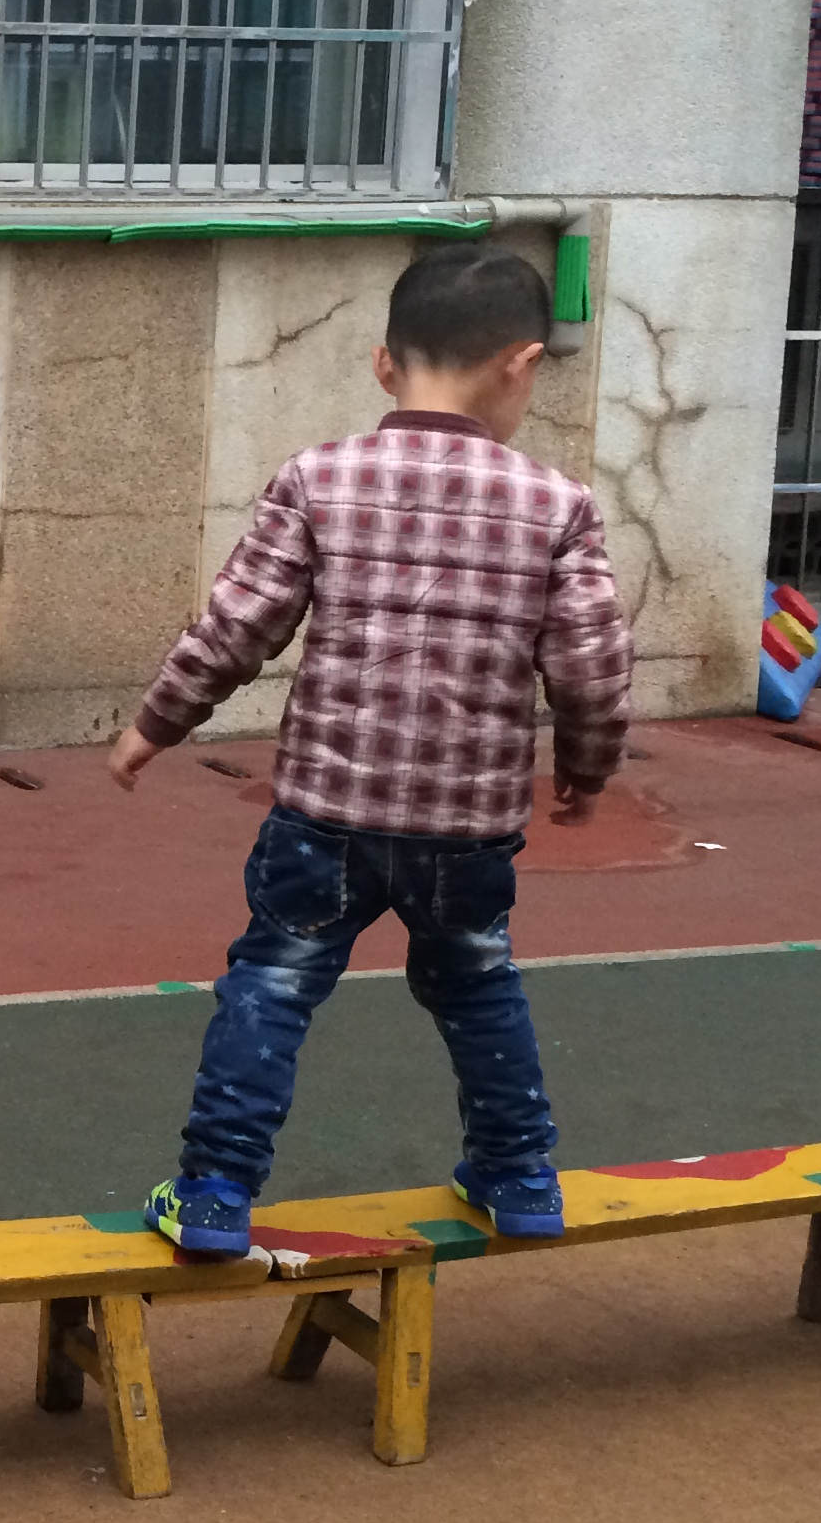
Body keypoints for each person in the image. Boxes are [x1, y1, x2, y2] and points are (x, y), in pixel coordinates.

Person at [108, 243, 633, 1255]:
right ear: (523, 364)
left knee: (272, 983)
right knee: (477, 984)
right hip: (468, 828)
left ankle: (214, 1194)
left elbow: (237, 626)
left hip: (326, 817)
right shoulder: (556, 504)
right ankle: (520, 1175)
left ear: (384, 363)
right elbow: (592, 665)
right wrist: (586, 768)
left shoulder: (319, 478)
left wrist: (157, 724)